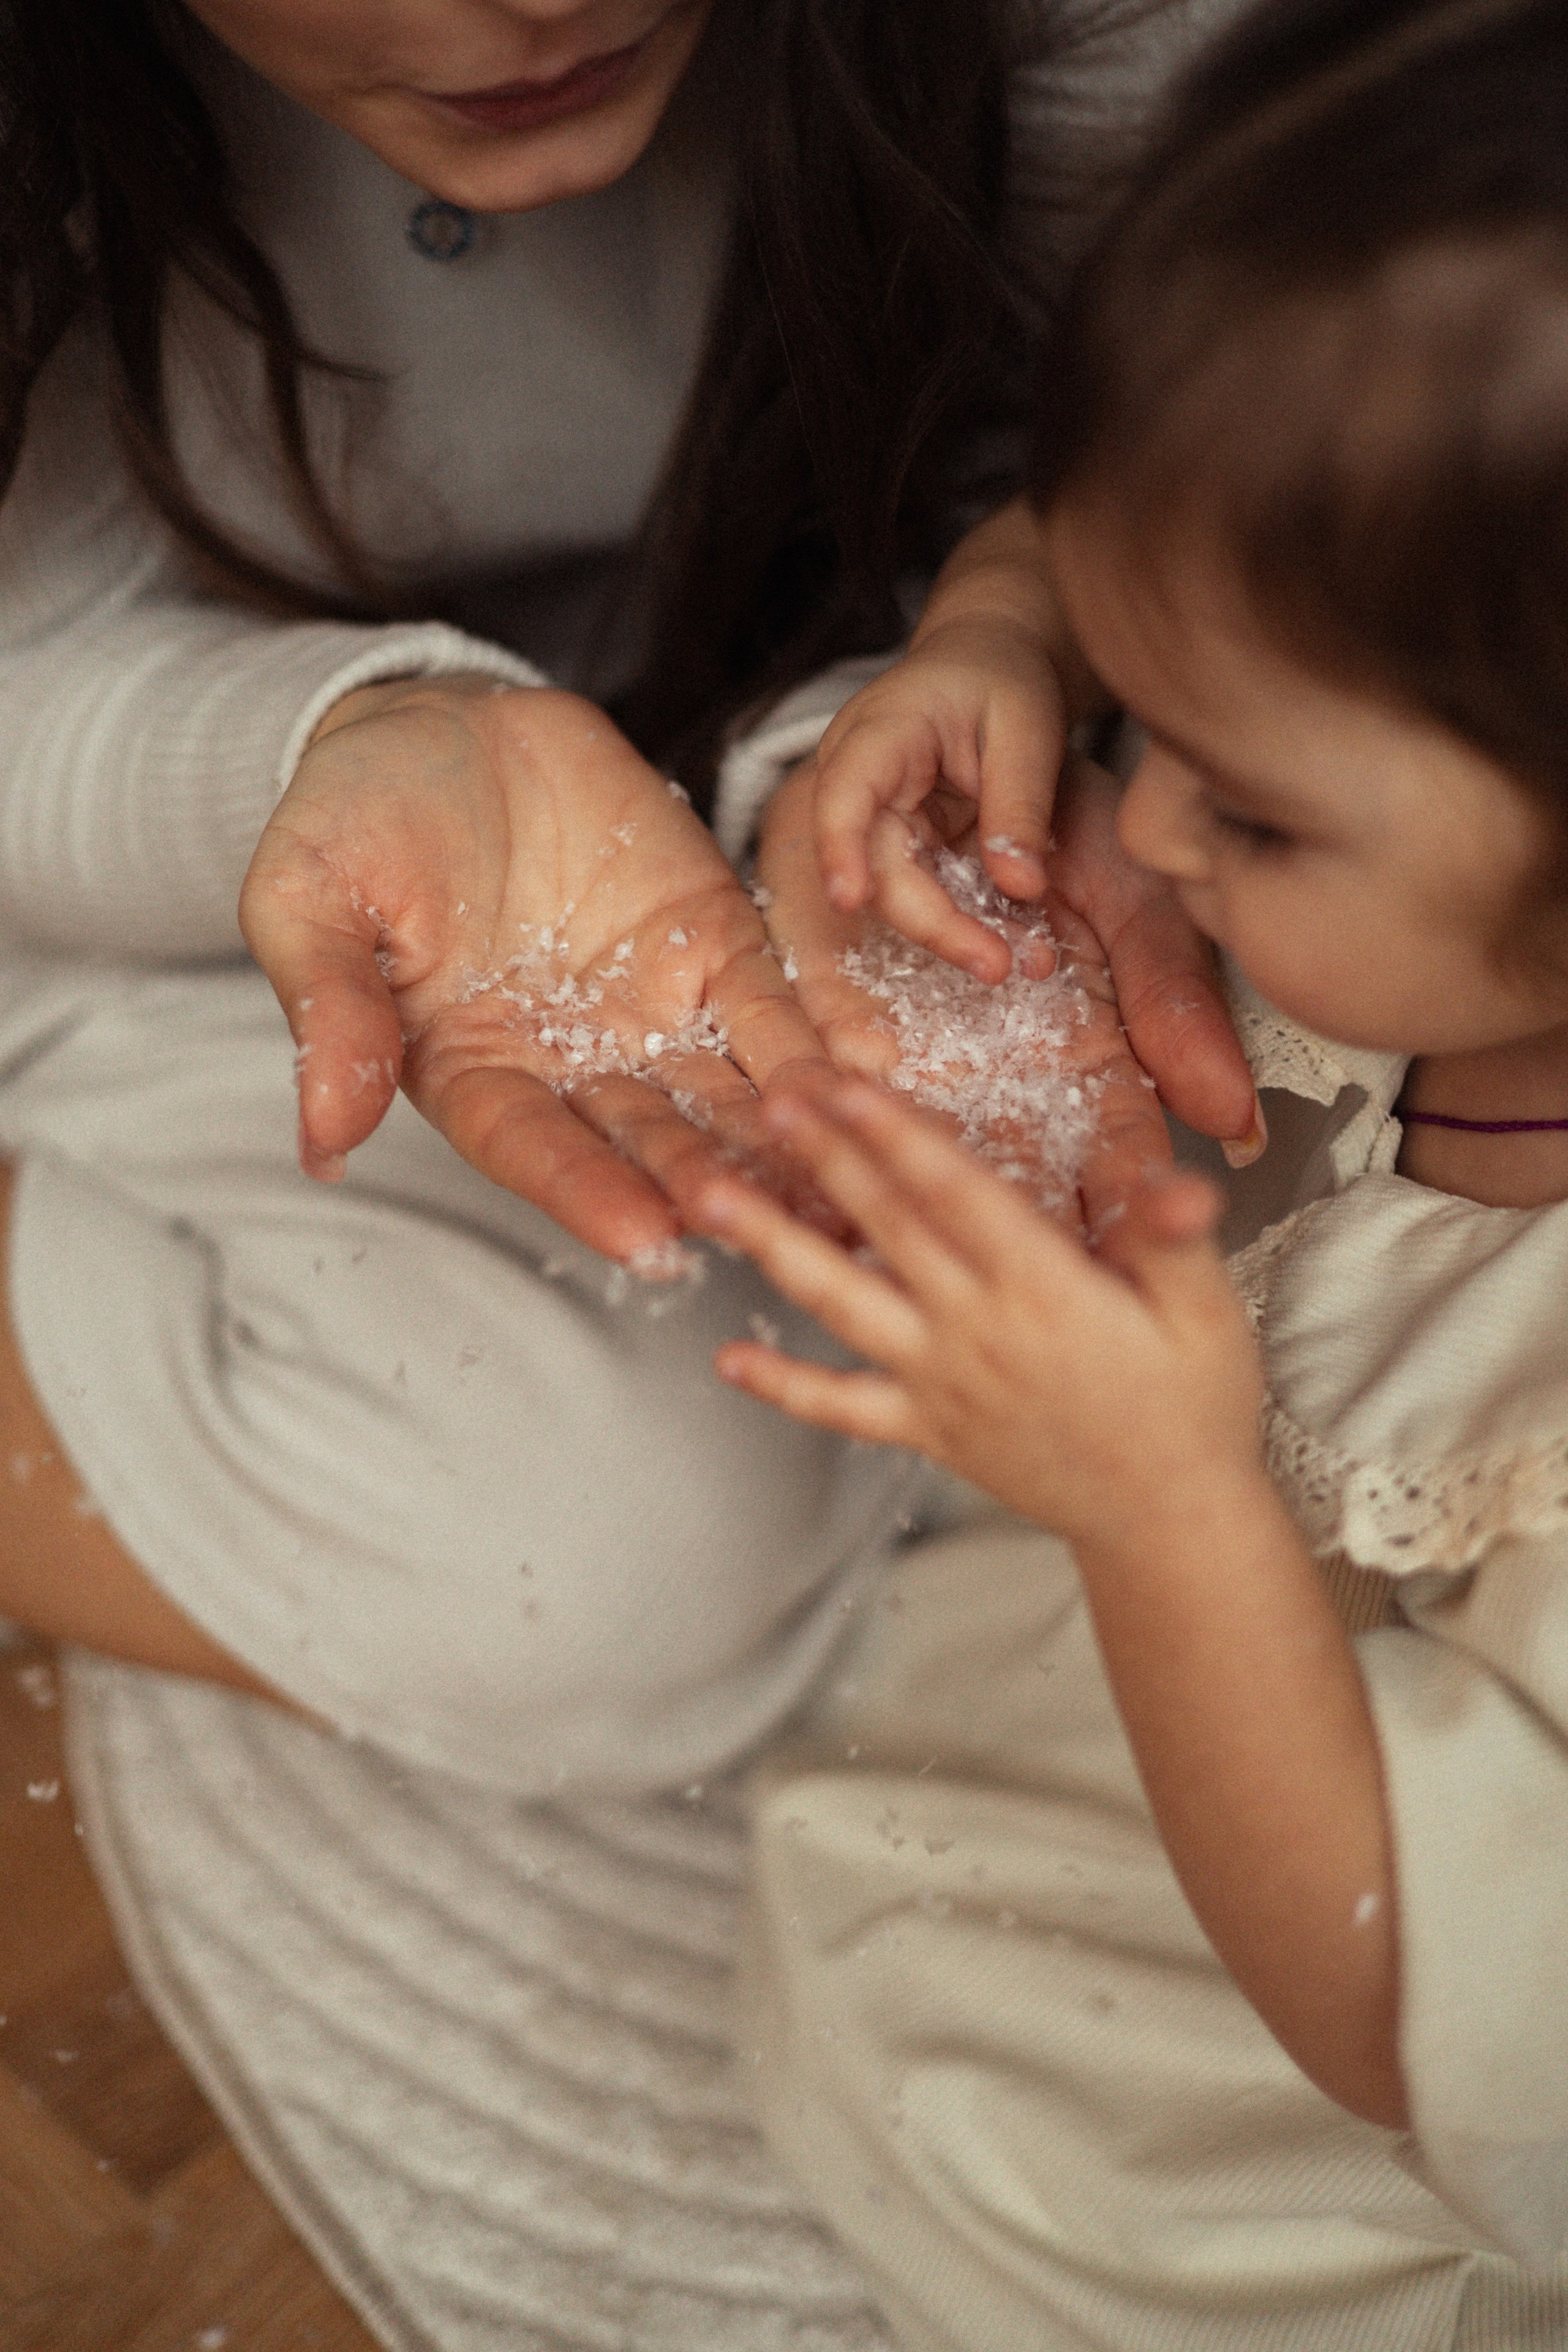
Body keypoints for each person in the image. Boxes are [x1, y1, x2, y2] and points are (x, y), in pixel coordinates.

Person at [0, 0, 1260, 1785]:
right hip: (141, 833)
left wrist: (904, 733)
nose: (537, 5)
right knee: (594, 1562)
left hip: (780, 707)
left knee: (1255, 1211)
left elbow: (1133, 424)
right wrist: (341, 740)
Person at [700, 0, 1568, 2340]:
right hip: (1309, 1647)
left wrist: (1168, 1510)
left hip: (1413, 2013)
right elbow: (1153, 524)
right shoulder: (1438, 661)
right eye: (1146, 716)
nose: (1149, 823)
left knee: (1002, 2091)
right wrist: (1003, 620)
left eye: (1248, 801)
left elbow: (1425, 2016)